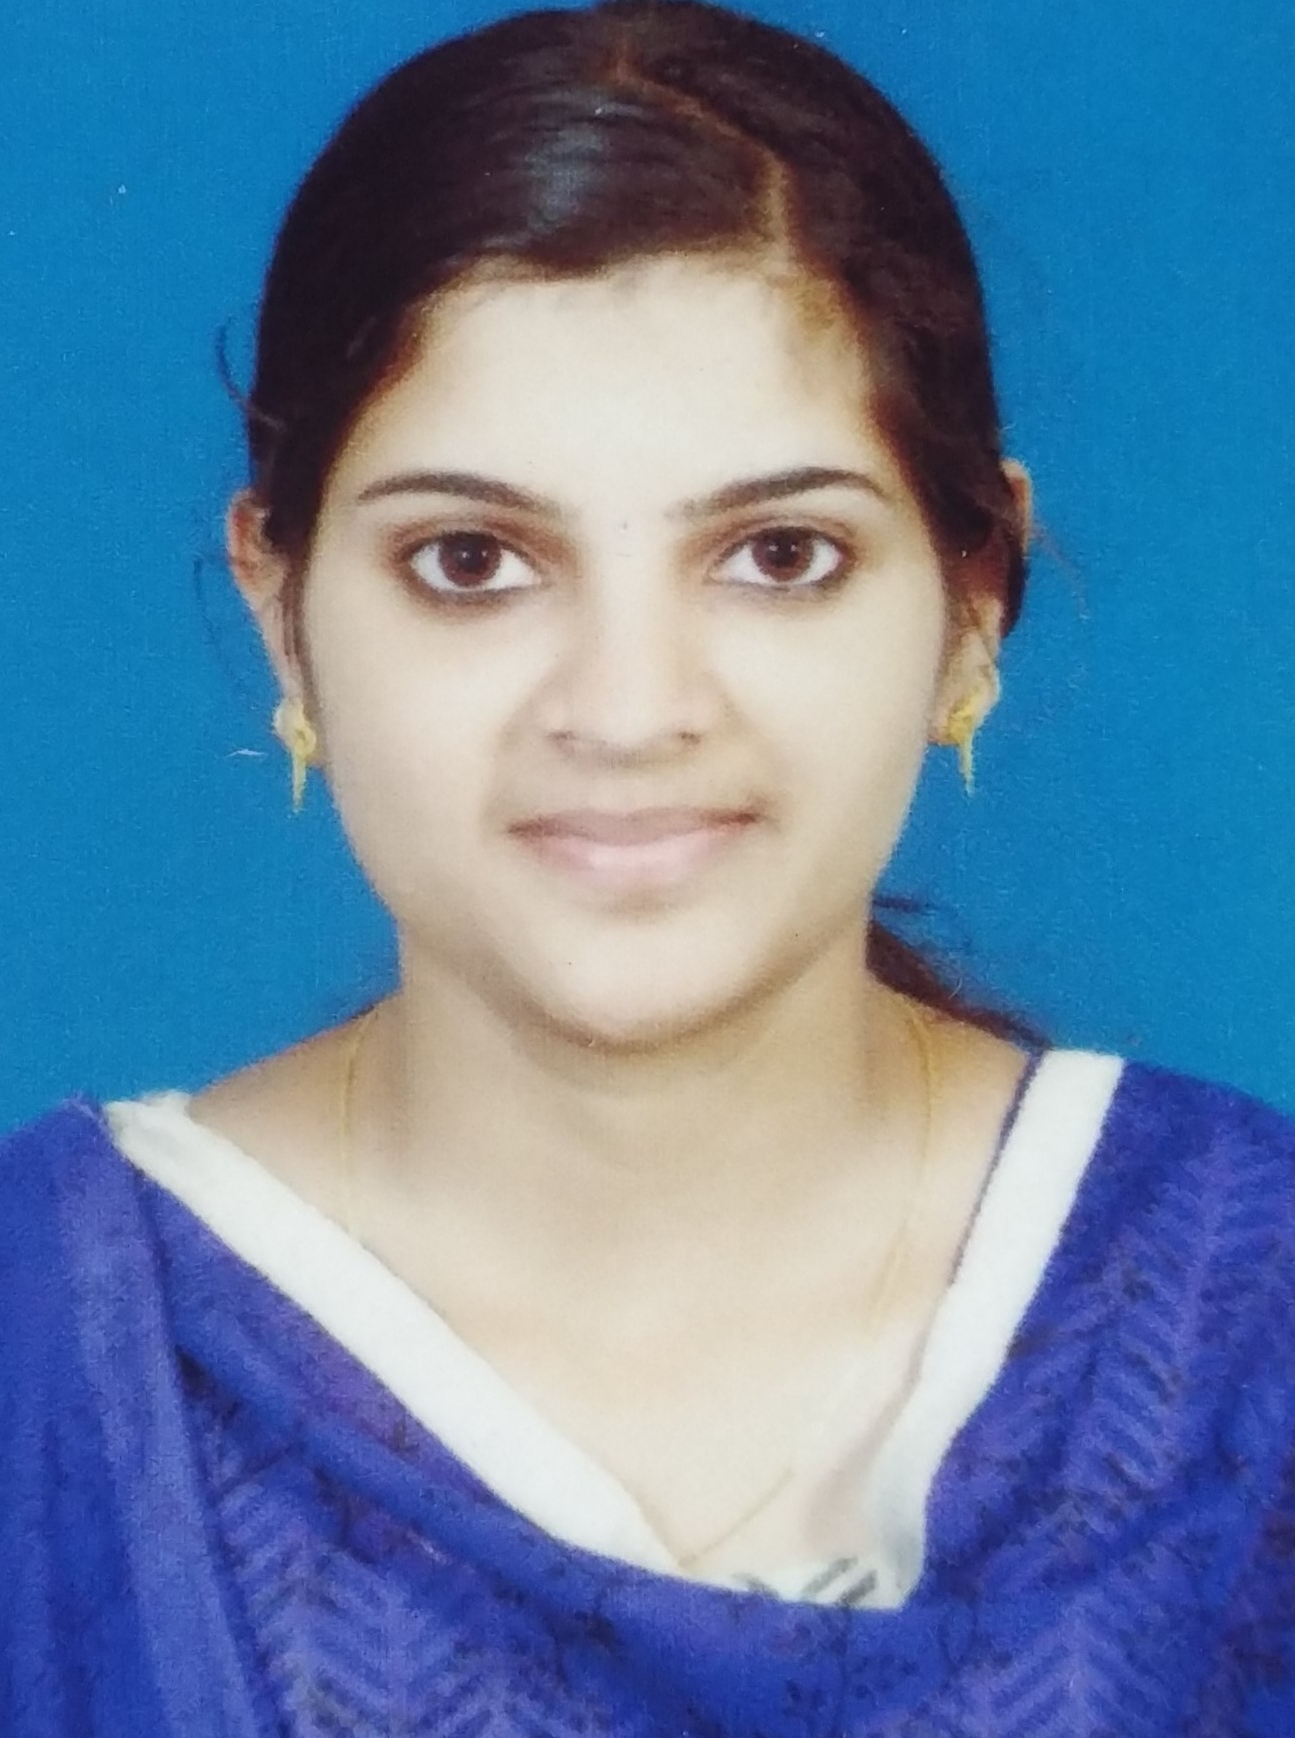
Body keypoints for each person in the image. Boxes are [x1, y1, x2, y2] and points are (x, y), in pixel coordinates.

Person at [2, 2, 1293, 1731]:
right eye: (472, 560)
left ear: (974, 603)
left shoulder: (1250, 1310)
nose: (627, 710)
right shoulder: (47, 1347)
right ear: (283, 611)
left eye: (780, 554)